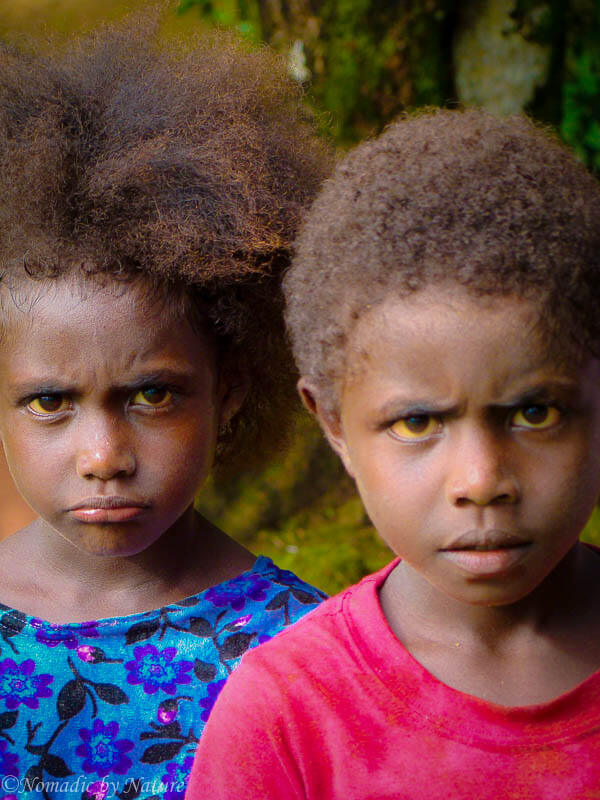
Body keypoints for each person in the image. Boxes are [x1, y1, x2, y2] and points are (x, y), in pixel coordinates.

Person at [187, 109, 600, 798]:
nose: (481, 481)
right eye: (416, 423)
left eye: (535, 412)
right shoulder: (286, 714)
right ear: (336, 427)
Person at [0, 13, 330, 799]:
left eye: (152, 395)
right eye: (50, 401)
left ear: (232, 394)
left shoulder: (298, 650)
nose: (104, 455)